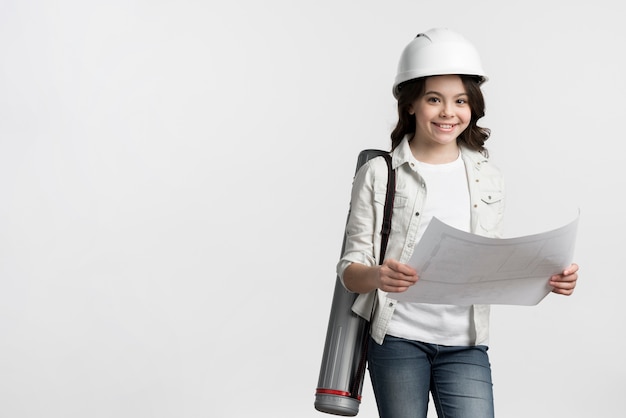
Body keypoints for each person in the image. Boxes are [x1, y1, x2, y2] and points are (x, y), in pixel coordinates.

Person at [336, 28, 579, 418]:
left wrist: (547, 279)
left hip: (465, 344)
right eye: (435, 99)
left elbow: (488, 267)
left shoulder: (488, 176)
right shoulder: (380, 173)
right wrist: (379, 276)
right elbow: (349, 271)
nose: (449, 112)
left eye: (461, 100)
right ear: (411, 103)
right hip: (396, 339)